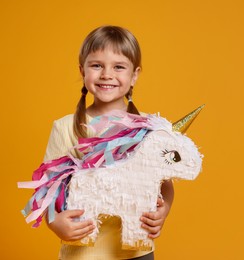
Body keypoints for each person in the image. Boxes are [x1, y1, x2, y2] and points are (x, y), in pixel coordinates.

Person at [44, 25, 173, 259]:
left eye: (119, 67)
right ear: (82, 70)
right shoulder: (64, 127)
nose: (107, 74)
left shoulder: (149, 128)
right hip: (83, 252)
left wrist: (163, 212)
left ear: (134, 75)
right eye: (97, 65)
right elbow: (48, 190)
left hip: (137, 251)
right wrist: (54, 222)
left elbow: (165, 185)